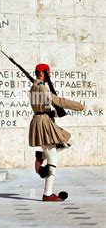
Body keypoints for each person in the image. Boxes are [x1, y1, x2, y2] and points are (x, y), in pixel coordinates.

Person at [29, 63, 85, 202]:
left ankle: (41, 156)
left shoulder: (35, 87)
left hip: (44, 119)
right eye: (48, 72)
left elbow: (42, 107)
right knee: (53, 159)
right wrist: (78, 106)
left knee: (69, 140)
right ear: (42, 73)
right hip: (44, 123)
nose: (50, 74)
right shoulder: (41, 87)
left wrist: (58, 114)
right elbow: (58, 101)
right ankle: (47, 194)